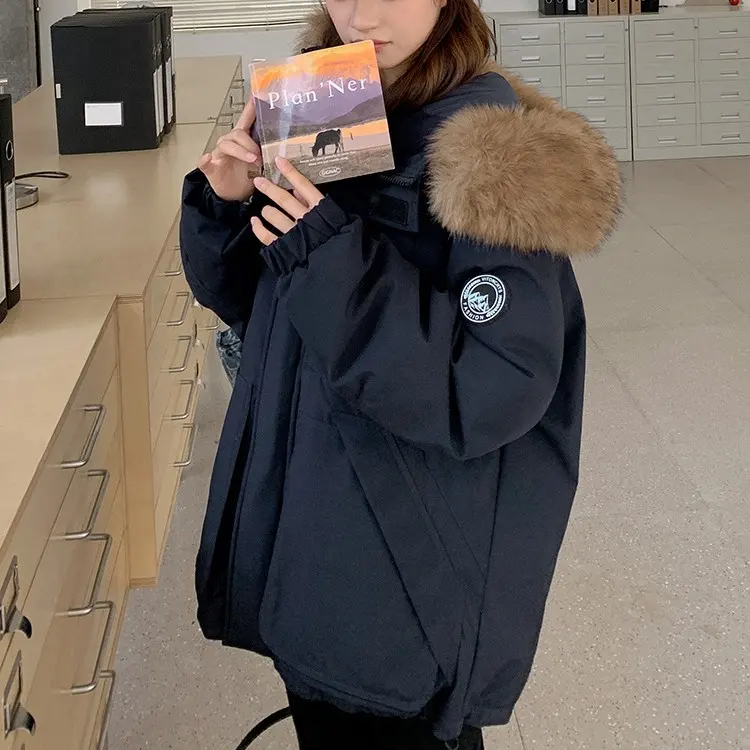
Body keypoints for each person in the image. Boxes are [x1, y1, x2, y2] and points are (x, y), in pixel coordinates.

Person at [179, 0, 622, 746]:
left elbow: (490, 389)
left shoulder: (493, 159)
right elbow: (253, 307)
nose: (362, 13)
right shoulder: (320, 106)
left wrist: (327, 257)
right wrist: (227, 206)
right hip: (308, 529)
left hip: (401, 580)